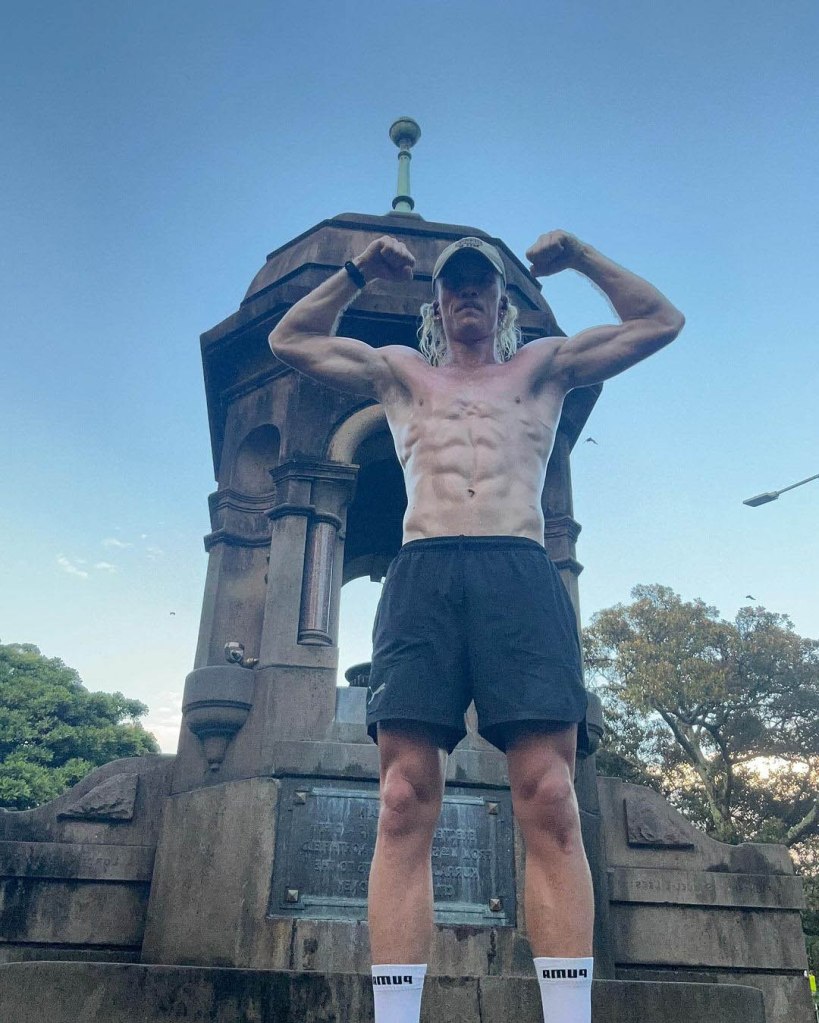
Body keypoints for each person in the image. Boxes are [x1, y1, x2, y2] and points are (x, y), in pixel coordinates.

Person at [268, 229, 684, 1023]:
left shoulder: (543, 367)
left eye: (480, 285)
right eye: (453, 285)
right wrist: (355, 273)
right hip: (423, 572)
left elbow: (659, 320)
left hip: (517, 574)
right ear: (436, 301)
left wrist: (585, 260)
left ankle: (566, 1016)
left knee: (551, 795)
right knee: (400, 797)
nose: (466, 295)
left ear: (501, 302)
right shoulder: (401, 374)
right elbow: (291, 339)